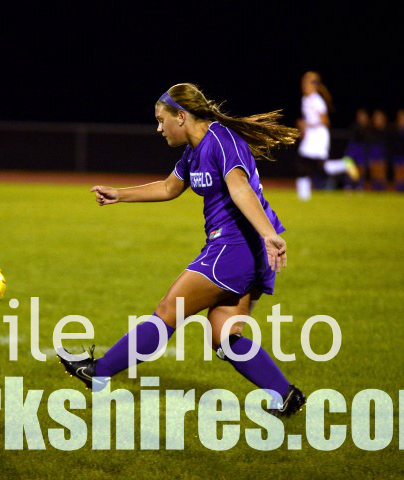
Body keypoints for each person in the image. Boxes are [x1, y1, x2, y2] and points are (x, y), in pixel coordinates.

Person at [58, 83, 306, 417]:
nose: (159, 129)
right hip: (244, 252)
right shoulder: (194, 151)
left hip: (234, 248)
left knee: (167, 312)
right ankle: (285, 395)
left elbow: (240, 189)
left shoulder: (221, 141)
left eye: (161, 120)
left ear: (181, 116)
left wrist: (268, 235)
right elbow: (168, 187)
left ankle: (98, 372)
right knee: (225, 338)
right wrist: (120, 194)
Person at [295, 71, 358, 199]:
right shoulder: (305, 99)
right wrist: (304, 128)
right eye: (303, 82)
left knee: (318, 167)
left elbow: (325, 121)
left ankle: (344, 164)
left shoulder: (316, 100)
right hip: (312, 135)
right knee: (305, 164)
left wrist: (307, 125)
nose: (304, 85)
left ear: (314, 85)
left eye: (306, 82)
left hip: (319, 135)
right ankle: (303, 197)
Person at [344, 108, 372, 190]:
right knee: (350, 166)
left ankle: (359, 185)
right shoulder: (354, 126)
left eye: (363, 116)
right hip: (352, 148)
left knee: (361, 168)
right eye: (360, 116)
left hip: (362, 149)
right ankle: (349, 184)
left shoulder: (369, 128)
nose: (362, 118)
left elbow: (368, 140)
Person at [388, 109, 404, 192]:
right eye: (401, 118)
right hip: (397, 155)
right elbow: (392, 144)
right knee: (398, 175)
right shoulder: (394, 130)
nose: (402, 120)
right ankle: (398, 192)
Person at [368, 110, 389, 191]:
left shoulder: (386, 130)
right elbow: (369, 142)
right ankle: (374, 189)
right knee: (374, 172)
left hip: (381, 152)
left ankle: (382, 189)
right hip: (373, 152)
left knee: (381, 172)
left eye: (380, 118)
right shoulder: (370, 129)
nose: (378, 120)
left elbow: (386, 142)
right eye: (377, 118)